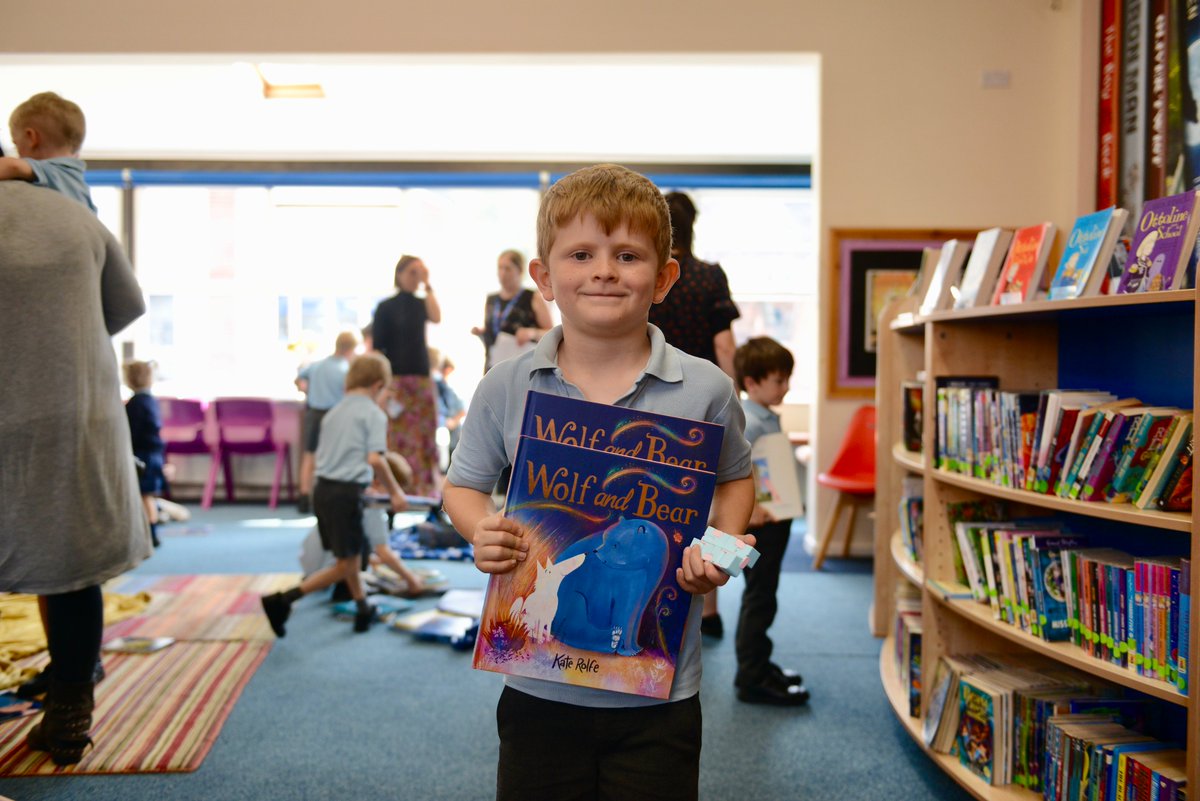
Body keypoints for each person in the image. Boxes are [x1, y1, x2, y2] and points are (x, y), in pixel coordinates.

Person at [442, 163, 755, 801]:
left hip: (660, 697)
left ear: (664, 278)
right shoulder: (506, 385)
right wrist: (482, 531)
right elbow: (463, 485)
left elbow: (736, 480)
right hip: (537, 689)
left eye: (628, 255)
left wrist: (719, 550)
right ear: (544, 278)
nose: (605, 271)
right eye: (581, 254)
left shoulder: (706, 388)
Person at [0, 181, 148, 765]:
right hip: (75, 407)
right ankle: (69, 715)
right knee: (70, 561)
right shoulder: (72, 215)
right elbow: (128, 304)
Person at [648, 190, 742, 638]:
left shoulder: (647, 274)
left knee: (653, 501)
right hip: (701, 401)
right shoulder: (708, 276)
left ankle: (656, 591)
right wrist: (734, 396)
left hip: (650, 398)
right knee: (709, 500)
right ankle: (708, 607)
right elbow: (724, 344)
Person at [261, 353, 408, 635]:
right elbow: (376, 459)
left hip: (323, 490)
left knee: (348, 559)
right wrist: (396, 493)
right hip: (345, 495)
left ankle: (362, 608)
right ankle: (283, 600)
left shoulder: (332, 412)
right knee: (345, 564)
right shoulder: (373, 414)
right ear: (378, 385)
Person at [732, 337, 810, 706]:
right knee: (760, 597)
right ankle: (752, 677)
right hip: (761, 525)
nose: (786, 387)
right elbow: (735, 469)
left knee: (764, 595)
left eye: (787, 379)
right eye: (779, 380)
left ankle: (759, 664)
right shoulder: (749, 422)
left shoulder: (765, 417)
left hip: (775, 519)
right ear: (752, 383)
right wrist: (751, 509)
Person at [370, 255, 441, 498]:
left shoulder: (421, 303)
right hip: (396, 380)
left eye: (418, 273)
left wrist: (427, 283)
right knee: (397, 434)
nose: (415, 278)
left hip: (421, 378)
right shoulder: (385, 307)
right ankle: (396, 486)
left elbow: (437, 317)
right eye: (411, 272)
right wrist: (383, 385)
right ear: (399, 274)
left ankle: (424, 487)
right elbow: (377, 349)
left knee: (425, 433)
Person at [295, 330, 359, 513]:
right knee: (336, 457)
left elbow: (299, 380)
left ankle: (304, 496)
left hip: (314, 413)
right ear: (351, 349)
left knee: (309, 455)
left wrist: (308, 390)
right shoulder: (345, 369)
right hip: (334, 416)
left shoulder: (316, 366)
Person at [0, 91, 96, 212]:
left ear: (31, 137)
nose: (17, 155)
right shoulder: (77, 181)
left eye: (16, 145)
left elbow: (13, 166)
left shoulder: (51, 170)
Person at [471, 248, 553, 371]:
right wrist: (482, 332)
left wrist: (532, 333)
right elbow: (495, 331)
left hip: (522, 368)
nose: (503, 273)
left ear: (520, 271)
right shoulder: (491, 300)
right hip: (493, 366)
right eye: (500, 268)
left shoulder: (532, 297)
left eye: (507, 268)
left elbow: (551, 333)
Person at [124, 360, 167, 549]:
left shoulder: (136, 404)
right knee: (148, 495)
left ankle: (152, 533)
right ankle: (151, 530)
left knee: (145, 495)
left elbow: (131, 431)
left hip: (143, 456)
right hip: (154, 454)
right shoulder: (150, 401)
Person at [429, 347, 466, 470]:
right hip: (440, 427)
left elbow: (461, 409)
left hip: (442, 428)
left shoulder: (441, 386)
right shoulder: (437, 383)